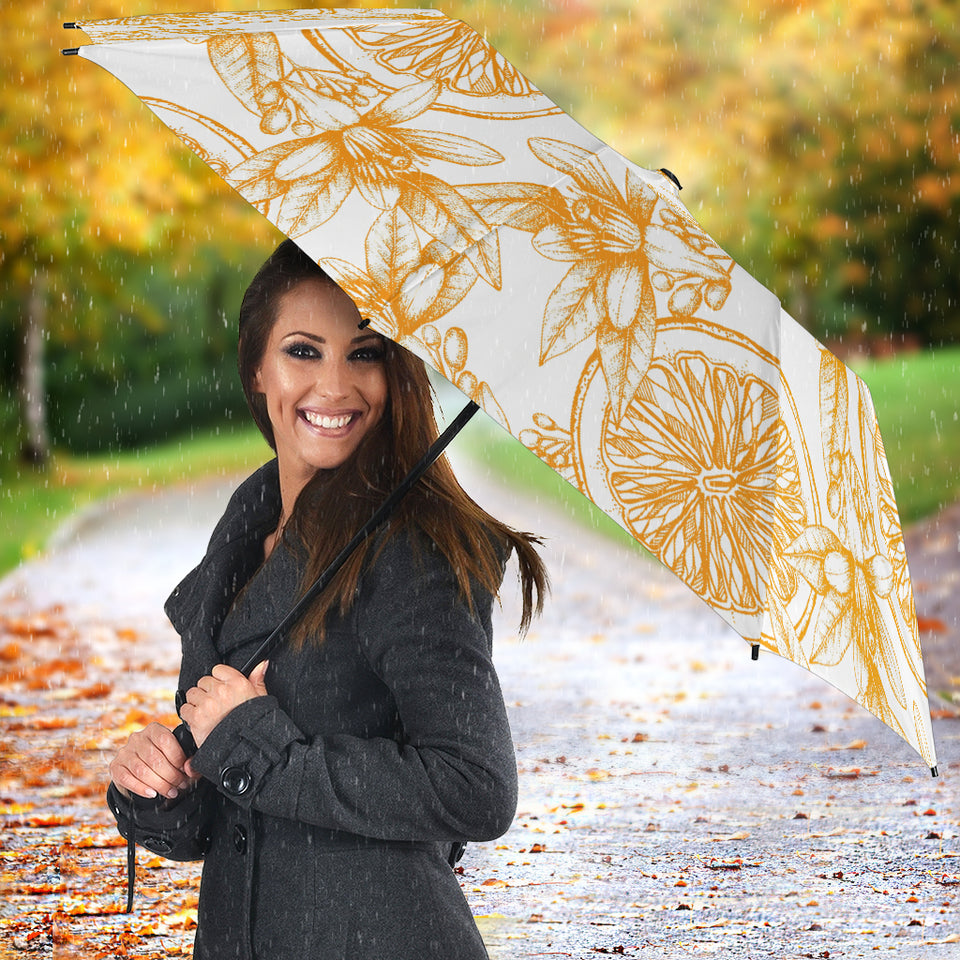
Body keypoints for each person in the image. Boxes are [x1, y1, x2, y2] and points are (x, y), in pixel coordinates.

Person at [107, 239, 548, 959]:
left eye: (364, 354)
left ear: (394, 372)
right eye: (303, 352)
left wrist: (259, 748)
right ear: (257, 369)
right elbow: (230, 815)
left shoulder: (410, 553)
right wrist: (166, 784)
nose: (336, 385)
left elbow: (477, 788)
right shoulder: (242, 544)